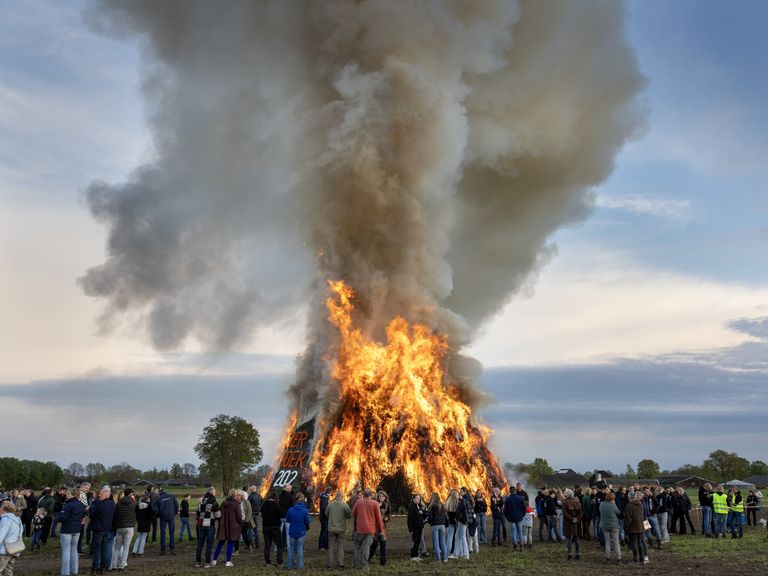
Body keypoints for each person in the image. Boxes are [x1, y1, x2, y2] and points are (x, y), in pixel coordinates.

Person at [351, 488, 384, 569]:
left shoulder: (359, 502)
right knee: (366, 547)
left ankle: (355, 564)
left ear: (363, 494)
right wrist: (380, 530)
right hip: (370, 530)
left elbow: (353, 513)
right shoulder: (375, 503)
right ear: (370, 495)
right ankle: (364, 565)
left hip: (359, 529)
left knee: (357, 546)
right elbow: (379, 518)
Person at [55, 489, 85, 576]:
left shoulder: (68, 505)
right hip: (77, 529)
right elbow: (83, 516)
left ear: (73, 495)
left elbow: (62, 517)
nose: (66, 495)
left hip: (67, 530)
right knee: (74, 550)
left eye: (68, 493)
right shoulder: (81, 504)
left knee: (66, 551)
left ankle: (65, 572)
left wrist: (57, 517)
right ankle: (74, 570)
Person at [212, 489, 242, 567]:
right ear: (235, 495)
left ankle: (214, 560)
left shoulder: (223, 503)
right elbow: (239, 516)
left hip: (223, 526)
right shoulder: (236, 504)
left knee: (220, 543)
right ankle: (228, 561)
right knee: (230, 543)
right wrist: (241, 523)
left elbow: (219, 515)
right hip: (232, 527)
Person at [89, 486, 116, 575]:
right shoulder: (112, 504)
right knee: (104, 549)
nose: (100, 495)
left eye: (101, 493)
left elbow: (92, 515)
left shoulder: (98, 503)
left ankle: (94, 568)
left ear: (103, 494)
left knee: (97, 550)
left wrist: (92, 508)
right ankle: (102, 568)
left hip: (98, 529)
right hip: (107, 529)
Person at [194, 487, 220, 567]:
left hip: (201, 525)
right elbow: (218, 515)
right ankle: (207, 562)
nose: (215, 493)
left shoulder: (201, 501)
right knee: (209, 544)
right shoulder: (214, 502)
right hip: (210, 525)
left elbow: (198, 512)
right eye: (215, 492)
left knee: (200, 544)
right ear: (212, 493)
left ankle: (198, 562)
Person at [326, 491, 351, 568]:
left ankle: (330, 564)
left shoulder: (330, 504)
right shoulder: (345, 505)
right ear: (342, 497)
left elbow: (326, 514)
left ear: (335, 497)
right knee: (340, 546)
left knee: (331, 547)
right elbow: (349, 515)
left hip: (331, 528)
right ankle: (340, 563)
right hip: (341, 529)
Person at [112, 488, 136, 571]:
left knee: (117, 548)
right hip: (129, 527)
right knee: (126, 548)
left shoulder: (118, 503)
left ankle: (114, 565)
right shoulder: (133, 503)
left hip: (119, 527)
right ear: (130, 494)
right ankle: (122, 565)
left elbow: (115, 515)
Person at [285, 493, 311, 570]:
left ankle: (289, 566)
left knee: (291, 549)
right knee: (300, 549)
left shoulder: (291, 509)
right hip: (301, 532)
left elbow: (287, 520)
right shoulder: (305, 510)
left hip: (292, 531)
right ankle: (300, 566)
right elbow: (308, 521)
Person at [152, 487, 179, 555]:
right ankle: (172, 548)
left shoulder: (158, 498)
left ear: (159, 493)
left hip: (163, 517)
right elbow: (176, 505)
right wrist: (174, 513)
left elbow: (154, 509)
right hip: (171, 516)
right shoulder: (172, 496)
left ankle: (162, 549)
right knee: (172, 532)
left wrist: (158, 515)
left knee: (163, 533)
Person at [0, 500, 24, 576]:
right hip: (14, 550)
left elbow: (1, 535)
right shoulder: (18, 519)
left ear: (4, 509)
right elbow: (20, 535)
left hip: (4, 551)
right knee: (8, 572)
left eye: (0, 507)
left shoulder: (5, 519)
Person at [624, 492, 648, 564]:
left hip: (633, 528)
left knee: (634, 544)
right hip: (640, 527)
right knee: (639, 543)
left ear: (629, 498)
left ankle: (636, 560)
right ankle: (642, 559)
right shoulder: (640, 504)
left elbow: (628, 519)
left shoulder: (629, 506)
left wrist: (626, 527)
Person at [261, 489, 283, 566]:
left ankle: (267, 562)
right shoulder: (275, 505)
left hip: (266, 527)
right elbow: (281, 514)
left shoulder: (264, 505)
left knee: (267, 545)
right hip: (275, 527)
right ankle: (279, 561)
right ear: (275, 498)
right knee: (279, 544)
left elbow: (262, 515)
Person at [367, 490, 390, 566]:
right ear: (378, 497)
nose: (381, 497)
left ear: (385, 497)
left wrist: (387, 518)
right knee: (374, 544)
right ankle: (368, 558)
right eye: (380, 496)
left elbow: (388, 514)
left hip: (383, 526)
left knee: (383, 544)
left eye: (383, 496)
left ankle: (383, 562)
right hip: (374, 526)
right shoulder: (374, 504)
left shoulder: (387, 505)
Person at [599, 492, 621, 563]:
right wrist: (614, 504)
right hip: (614, 526)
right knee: (616, 542)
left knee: (607, 542)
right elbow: (618, 513)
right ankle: (618, 558)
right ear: (613, 499)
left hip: (604, 525)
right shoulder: (613, 506)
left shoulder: (601, 504)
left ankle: (608, 557)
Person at [503, 487, 525, 551]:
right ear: (515, 491)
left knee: (513, 532)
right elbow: (524, 509)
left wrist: (507, 517)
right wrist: (522, 515)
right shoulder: (520, 498)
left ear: (510, 491)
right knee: (520, 532)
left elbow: (505, 510)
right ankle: (521, 546)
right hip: (519, 517)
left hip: (511, 518)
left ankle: (515, 545)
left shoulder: (508, 499)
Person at [427, 493, 448, 562]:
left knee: (436, 543)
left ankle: (438, 558)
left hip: (435, 525)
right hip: (442, 525)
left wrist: (430, 522)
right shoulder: (442, 505)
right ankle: (445, 558)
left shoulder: (432, 506)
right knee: (443, 542)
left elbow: (430, 517)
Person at [562, 488, 582, 560]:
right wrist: (576, 519)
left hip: (568, 523)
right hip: (576, 524)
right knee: (576, 539)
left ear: (567, 495)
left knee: (569, 539)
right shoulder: (577, 502)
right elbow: (580, 513)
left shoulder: (564, 503)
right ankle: (578, 554)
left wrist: (572, 519)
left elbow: (565, 514)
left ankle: (569, 555)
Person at [407, 494, 427, 561]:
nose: (418, 499)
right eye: (417, 498)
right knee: (415, 541)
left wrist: (423, 512)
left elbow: (425, 515)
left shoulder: (420, 506)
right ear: (413, 499)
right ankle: (413, 556)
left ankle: (416, 555)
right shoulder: (411, 507)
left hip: (420, 527)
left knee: (418, 541)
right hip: (414, 528)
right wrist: (411, 530)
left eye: (419, 498)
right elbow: (409, 519)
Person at [453, 488, 471, 559]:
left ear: (464, 492)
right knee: (457, 536)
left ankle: (466, 555)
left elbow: (459, 510)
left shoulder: (463, 500)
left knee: (463, 537)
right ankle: (457, 554)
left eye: (461, 491)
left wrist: (456, 518)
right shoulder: (468, 499)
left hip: (462, 520)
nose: (459, 493)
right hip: (465, 520)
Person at [133, 493, 153, 558]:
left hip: (140, 523)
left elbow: (137, 516)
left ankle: (134, 551)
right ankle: (140, 552)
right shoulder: (149, 506)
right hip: (146, 523)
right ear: (147, 500)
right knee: (143, 538)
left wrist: (138, 521)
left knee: (139, 537)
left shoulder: (138, 506)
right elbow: (151, 514)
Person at [445, 490, 459, 558]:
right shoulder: (456, 502)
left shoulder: (448, 501)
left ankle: (447, 552)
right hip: (454, 523)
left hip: (448, 522)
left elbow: (446, 512)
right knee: (453, 538)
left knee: (449, 538)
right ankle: (451, 552)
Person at [247, 485, 262, 549]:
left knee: (250, 529)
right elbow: (261, 504)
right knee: (256, 529)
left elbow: (248, 506)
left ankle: (250, 544)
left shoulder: (250, 497)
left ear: (251, 490)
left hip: (251, 514)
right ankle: (257, 543)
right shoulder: (259, 496)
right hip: (257, 514)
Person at [318, 485, 330, 552]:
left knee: (324, 531)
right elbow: (324, 509)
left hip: (323, 518)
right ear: (330, 492)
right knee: (324, 532)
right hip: (324, 518)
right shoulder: (325, 499)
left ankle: (323, 545)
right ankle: (322, 546)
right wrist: (327, 515)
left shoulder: (324, 498)